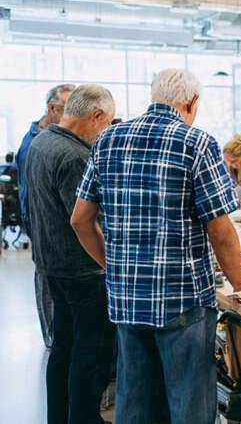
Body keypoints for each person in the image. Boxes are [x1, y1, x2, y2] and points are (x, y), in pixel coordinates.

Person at [71, 69, 241, 424]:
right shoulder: (197, 143)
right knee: (189, 407)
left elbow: (79, 220)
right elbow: (221, 230)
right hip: (182, 300)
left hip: (126, 299)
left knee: (135, 404)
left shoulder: (108, 140)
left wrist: (115, 266)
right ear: (192, 101)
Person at [26, 85, 116, 424]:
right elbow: (83, 221)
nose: (105, 131)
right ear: (94, 116)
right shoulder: (75, 156)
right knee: (90, 354)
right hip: (83, 271)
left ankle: (59, 417)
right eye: (106, 123)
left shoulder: (42, 141)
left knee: (63, 347)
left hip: (54, 265)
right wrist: (109, 265)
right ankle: (83, 418)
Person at [17, 82, 75, 349]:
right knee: (48, 288)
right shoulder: (34, 145)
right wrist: (39, 236)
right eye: (67, 108)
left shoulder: (53, 140)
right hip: (46, 236)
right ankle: (53, 339)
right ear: (52, 108)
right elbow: (30, 198)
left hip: (56, 238)